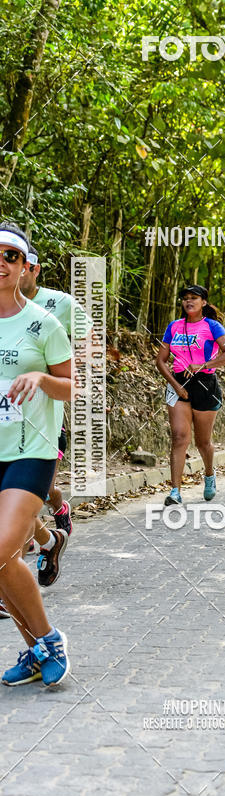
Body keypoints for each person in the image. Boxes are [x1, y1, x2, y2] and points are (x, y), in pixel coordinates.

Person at [0, 224, 72, 686]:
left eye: (11, 256)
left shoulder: (44, 323)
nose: (1, 262)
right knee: (5, 560)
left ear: (24, 267)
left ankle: (46, 642)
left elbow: (70, 385)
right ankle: (41, 644)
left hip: (31, 448)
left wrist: (41, 381)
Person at [19, 243, 93, 588]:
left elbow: (88, 343)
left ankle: (11, 580)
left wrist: (60, 374)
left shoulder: (59, 305)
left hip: (41, 415)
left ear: (33, 268)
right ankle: (46, 541)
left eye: (19, 261)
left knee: (30, 495)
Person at [156, 285, 225, 506]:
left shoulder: (212, 326)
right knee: (179, 438)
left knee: (203, 441)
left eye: (194, 298)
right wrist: (175, 385)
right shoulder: (173, 327)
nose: (188, 301)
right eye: (184, 298)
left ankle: (209, 476)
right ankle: (175, 491)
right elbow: (160, 360)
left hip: (205, 384)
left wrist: (204, 364)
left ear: (203, 302)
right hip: (178, 383)